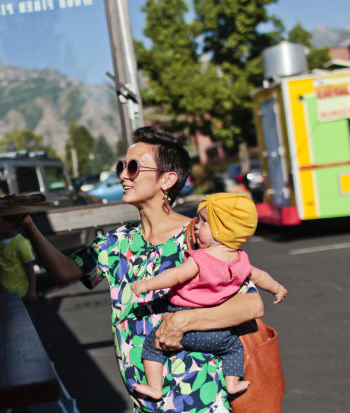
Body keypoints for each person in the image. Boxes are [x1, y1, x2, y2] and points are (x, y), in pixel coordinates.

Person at [19, 126, 265, 412]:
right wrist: (27, 225)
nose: (123, 174)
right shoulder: (118, 242)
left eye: (134, 167)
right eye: (121, 166)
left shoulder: (197, 236)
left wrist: (183, 322)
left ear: (167, 180)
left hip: (200, 399)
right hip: (148, 403)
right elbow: (65, 271)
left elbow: (252, 303)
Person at [130, 192, 288, 399]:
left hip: (186, 323)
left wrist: (147, 284)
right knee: (234, 349)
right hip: (219, 332)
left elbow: (175, 276)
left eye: (204, 222)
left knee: (153, 346)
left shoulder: (200, 259)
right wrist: (277, 289)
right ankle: (233, 384)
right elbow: (261, 278)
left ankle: (155, 387)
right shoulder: (241, 261)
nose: (196, 225)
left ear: (221, 229)